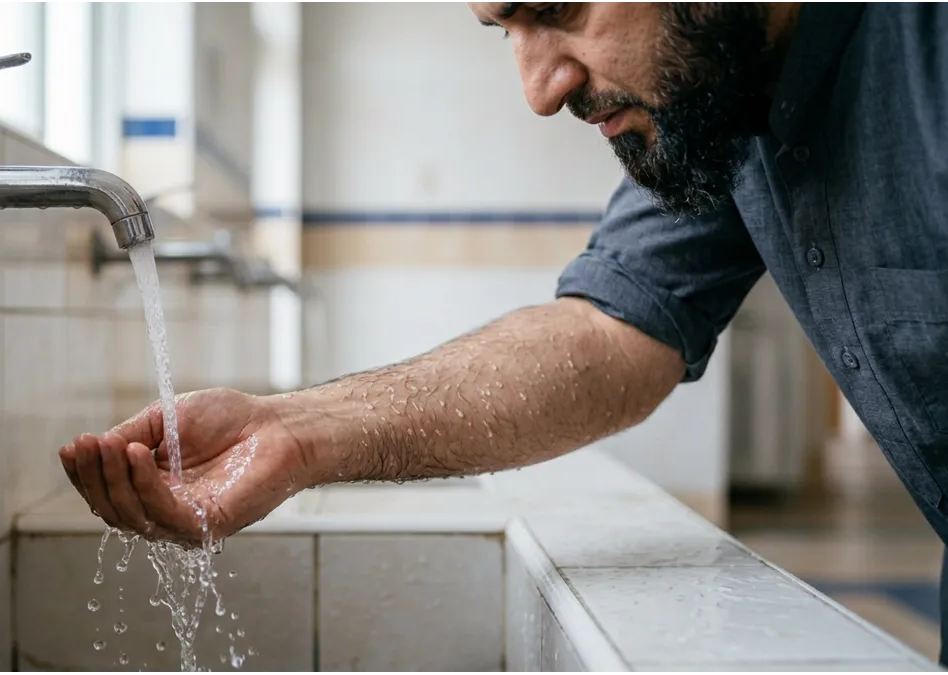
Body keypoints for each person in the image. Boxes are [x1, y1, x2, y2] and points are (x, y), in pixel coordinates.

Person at [61, 0, 948, 663]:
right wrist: (293, 432)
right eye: (504, 28)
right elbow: (607, 330)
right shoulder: (729, 100)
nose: (537, 88)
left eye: (557, 9)